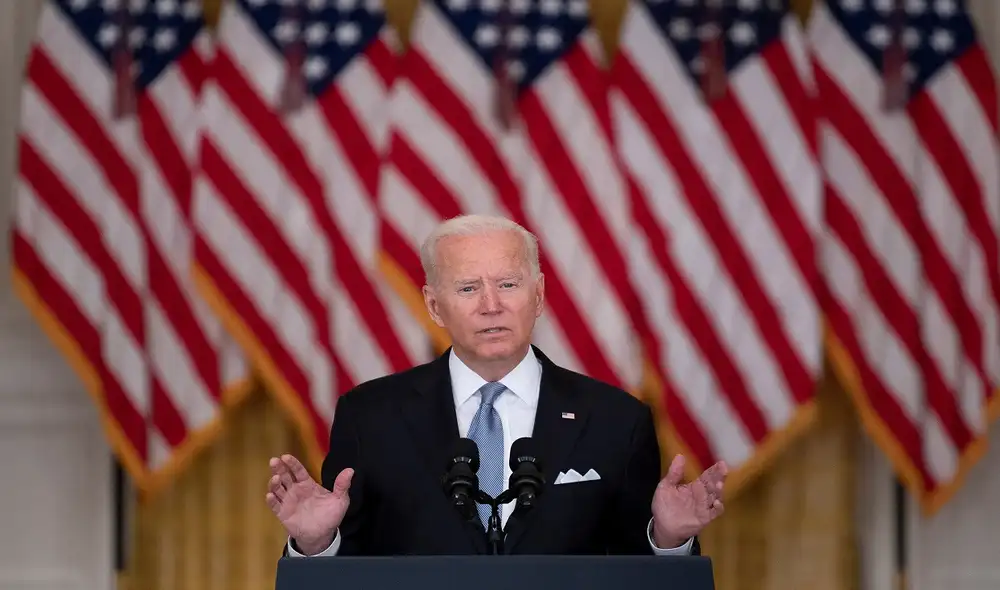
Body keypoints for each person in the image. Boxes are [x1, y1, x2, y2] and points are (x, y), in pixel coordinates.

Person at [265, 214, 727, 556]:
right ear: (433, 305)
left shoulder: (616, 420)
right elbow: (344, 576)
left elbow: (640, 578)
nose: (491, 305)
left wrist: (668, 538)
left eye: (508, 284)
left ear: (539, 295)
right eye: (468, 288)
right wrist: (315, 542)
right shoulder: (370, 417)